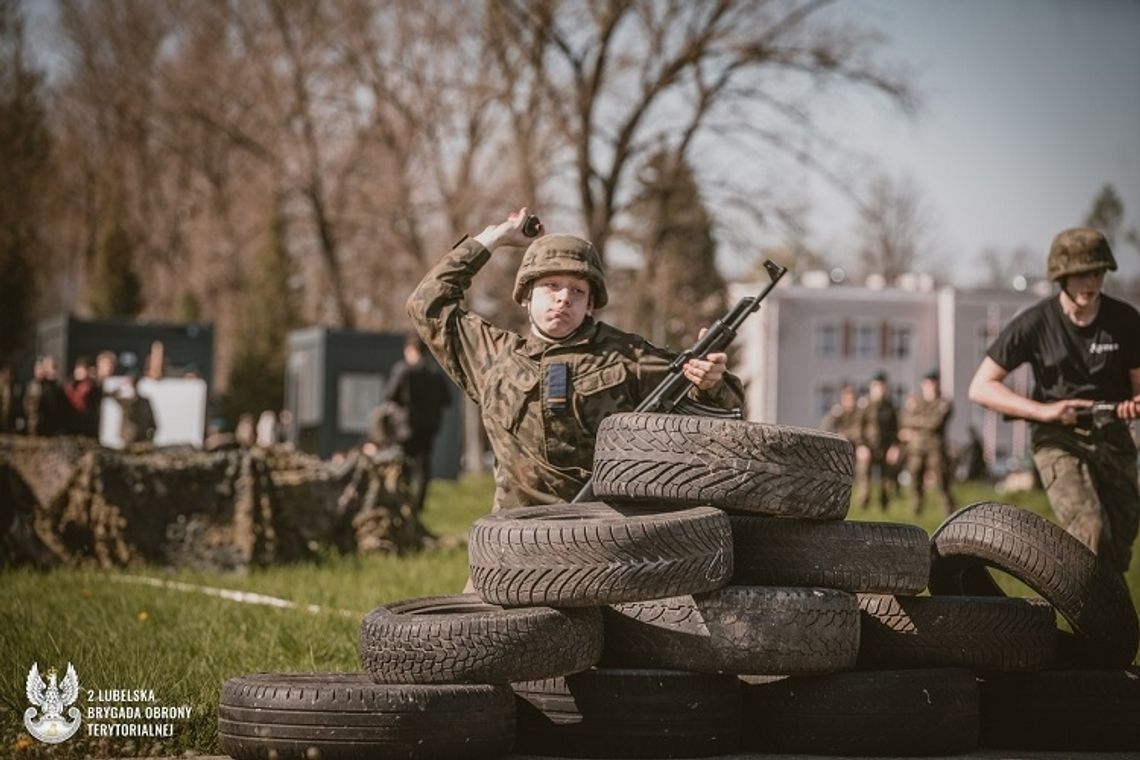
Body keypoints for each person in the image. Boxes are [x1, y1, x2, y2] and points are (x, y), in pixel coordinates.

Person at [407, 207, 744, 511]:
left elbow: (724, 413)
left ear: (591, 305)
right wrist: (493, 239)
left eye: (577, 290)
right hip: (511, 542)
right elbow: (427, 304)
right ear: (525, 296)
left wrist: (710, 382)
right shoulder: (492, 355)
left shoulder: (627, 356)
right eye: (551, 286)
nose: (564, 298)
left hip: (604, 537)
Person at [968, 227, 1140, 573]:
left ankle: (1110, 624)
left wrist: (1133, 403)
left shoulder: (1125, 320)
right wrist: (1044, 411)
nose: (1089, 282)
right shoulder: (1034, 323)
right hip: (1058, 436)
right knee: (1089, 531)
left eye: (1096, 272)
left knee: (1120, 543)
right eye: (1079, 275)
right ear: (1061, 276)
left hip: (1112, 434)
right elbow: (981, 387)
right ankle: (1088, 622)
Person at [379, 333, 455, 517]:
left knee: (401, 467)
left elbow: (390, 394)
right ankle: (417, 506)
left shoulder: (403, 370)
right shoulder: (434, 373)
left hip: (404, 428)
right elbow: (447, 400)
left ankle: (402, 504)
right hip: (428, 428)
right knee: (422, 469)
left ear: (410, 350)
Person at [900, 369, 954, 515]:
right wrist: (919, 423)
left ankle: (948, 509)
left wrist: (915, 425)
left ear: (937, 384)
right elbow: (904, 419)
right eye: (927, 383)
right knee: (915, 475)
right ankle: (916, 508)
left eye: (932, 383)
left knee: (941, 478)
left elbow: (935, 423)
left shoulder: (943, 402)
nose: (929, 386)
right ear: (922, 384)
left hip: (935, 447)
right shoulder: (915, 401)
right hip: (916, 447)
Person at [854, 371, 900, 510]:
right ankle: (863, 505)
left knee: (885, 482)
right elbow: (857, 427)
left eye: (882, 386)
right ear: (871, 386)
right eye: (877, 386)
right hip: (868, 447)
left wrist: (895, 447)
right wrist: (861, 446)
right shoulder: (864, 404)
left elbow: (895, 428)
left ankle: (884, 508)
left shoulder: (890, 406)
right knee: (864, 480)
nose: (880, 389)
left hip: (885, 448)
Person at [112, 372, 156, 447]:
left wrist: (149, 440)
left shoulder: (145, 402)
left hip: (142, 442)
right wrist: (122, 387)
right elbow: (112, 394)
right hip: (126, 442)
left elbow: (153, 424)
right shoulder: (125, 401)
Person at [64, 356, 102, 438]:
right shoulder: (69, 386)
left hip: (87, 425)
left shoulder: (92, 388)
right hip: (70, 424)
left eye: (82, 369)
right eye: (77, 369)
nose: (78, 372)